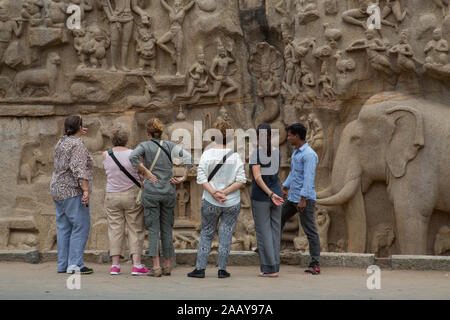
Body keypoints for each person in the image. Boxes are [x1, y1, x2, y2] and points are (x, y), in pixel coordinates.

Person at [129, 118, 193, 277]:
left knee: (153, 229)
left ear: (148, 133)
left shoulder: (144, 145)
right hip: (168, 192)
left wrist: (146, 172)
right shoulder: (170, 146)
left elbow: (133, 158)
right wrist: (183, 177)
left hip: (151, 192)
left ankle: (156, 266)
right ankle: (167, 265)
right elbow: (188, 158)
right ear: (161, 132)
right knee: (167, 229)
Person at [188, 121, 247, 279]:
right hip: (232, 201)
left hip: (210, 200)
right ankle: (222, 269)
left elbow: (201, 177)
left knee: (206, 233)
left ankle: (200, 268)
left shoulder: (207, 154)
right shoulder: (235, 156)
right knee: (226, 233)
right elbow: (241, 180)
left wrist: (214, 192)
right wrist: (225, 192)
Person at [50, 115, 93, 275]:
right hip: (72, 190)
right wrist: (86, 190)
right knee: (80, 225)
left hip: (57, 188)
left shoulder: (61, 142)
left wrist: (78, 131)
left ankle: (63, 264)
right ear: (79, 127)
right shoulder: (77, 145)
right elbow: (79, 169)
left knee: (63, 227)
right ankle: (75, 264)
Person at [102, 126, 148, 276]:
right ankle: (136, 264)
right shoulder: (133, 154)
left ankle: (115, 265)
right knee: (135, 228)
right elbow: (141, 171)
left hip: (112, 195)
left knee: (115, 229)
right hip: (131, 195)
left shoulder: (105, 155)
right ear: (126, 139)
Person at [281, 123, 321, 275]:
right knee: (278, 218)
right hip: (293, 197)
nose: (289, 138)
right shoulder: (297, 153)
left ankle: (315, 263)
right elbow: (294, 173)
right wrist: (285, 187)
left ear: (297, 136)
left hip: (304, 199)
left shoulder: (309, 155)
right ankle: (270, 252)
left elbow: (308, 178)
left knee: (310, 230)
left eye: (290, 135)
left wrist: (303, 199)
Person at [250, 123, 284, 277]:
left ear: (258, 137)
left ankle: (269, 269)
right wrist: (275, 193)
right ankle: (275, 266)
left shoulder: (256, 153)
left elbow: (257, 178)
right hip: (277, 195)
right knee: (275, 231)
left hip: (262, 197)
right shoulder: (277, 152)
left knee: (264, 232)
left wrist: (269, 194)